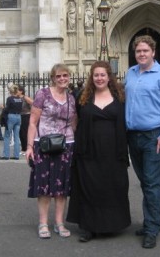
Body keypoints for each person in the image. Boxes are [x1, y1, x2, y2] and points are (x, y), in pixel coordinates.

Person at [124, 35, 160, 249]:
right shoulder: (130, 73)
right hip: (133, 136)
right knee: (146, 182)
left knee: (153, 183)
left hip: (154, 137)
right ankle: (151, 221)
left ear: (153, 52)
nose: (141, 54)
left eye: (145, 51)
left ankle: (151, 229)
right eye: (138, 51)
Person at [67, 61, 131, 242]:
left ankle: (110, 224)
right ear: (91, 77)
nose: (99, 78)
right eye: (96, 75)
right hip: (88, 152)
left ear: (109, 76)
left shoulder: (120, 96)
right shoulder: (83, 97)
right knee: (89, 187)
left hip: (113, 152)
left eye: (103, 75)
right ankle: (89, 227)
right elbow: (74, 120)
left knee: (111, 187)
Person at [26, 64, 77, 239]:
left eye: (65, 76)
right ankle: (43, 223)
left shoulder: (71, 98)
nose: (62, 79)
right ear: (53, 78)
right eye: (58, 76)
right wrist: (30, 146)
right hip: (45, 144)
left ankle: (59, 223)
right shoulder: (43, 94)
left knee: (62, 187)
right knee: (44, 186)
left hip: (66, 144)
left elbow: (73, 123)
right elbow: (33, 121)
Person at [0, 84, 23, 160]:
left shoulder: (9, 99)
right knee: (16, 137)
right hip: (18, 117)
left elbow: (7, 109)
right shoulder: (20, 99)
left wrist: (2, 108)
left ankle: (6, 155)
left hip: (11, 116)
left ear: (11, 91)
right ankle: (16, 155)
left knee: (7, 136)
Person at [17, 85, 33, 156]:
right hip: (19, 115)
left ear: (21, 91)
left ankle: (27, 148)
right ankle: (23, 148)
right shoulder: (16, 98)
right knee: (20, 133)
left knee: (25, 132)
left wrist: (31, 111)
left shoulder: (25, 98)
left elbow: (34, 103)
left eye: (17, 90)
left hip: (26, 116)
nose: (16, 91)